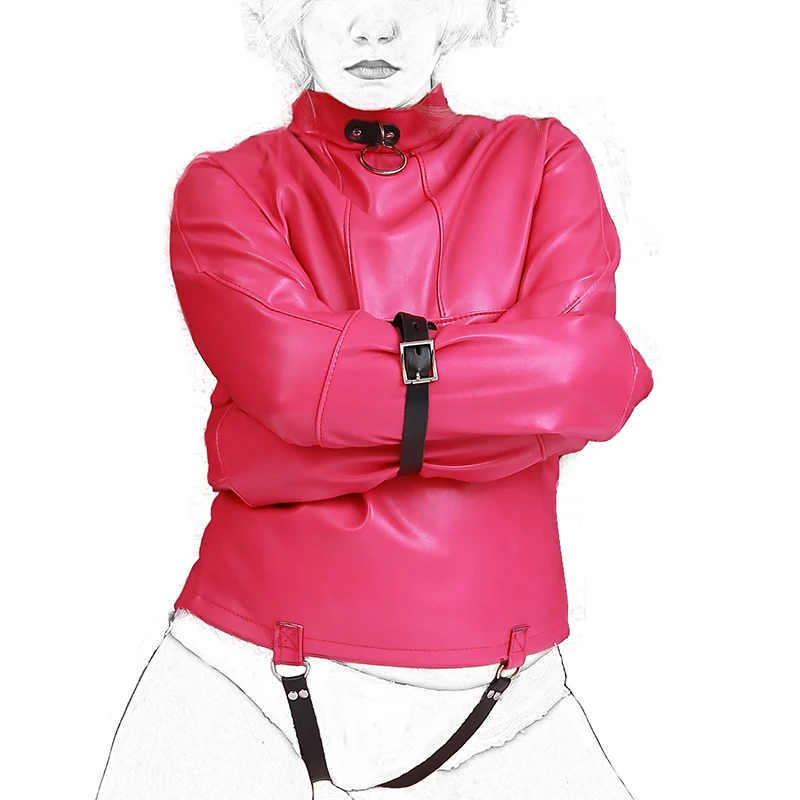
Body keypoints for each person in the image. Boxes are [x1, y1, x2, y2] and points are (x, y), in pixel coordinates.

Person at [94, 1, 654, 798]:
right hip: (241, 676)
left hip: (509, 705)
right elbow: (295, 382)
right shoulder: (226, 187)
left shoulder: (543, 161)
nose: (374, 26)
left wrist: (289, 442)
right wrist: (501, 398)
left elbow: (586, 381)